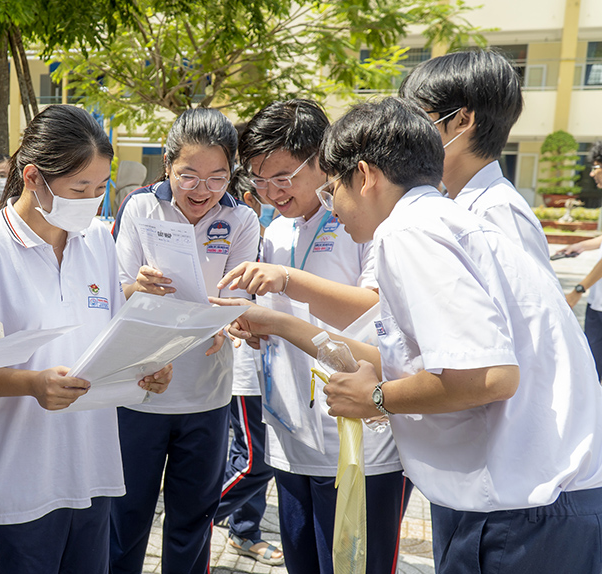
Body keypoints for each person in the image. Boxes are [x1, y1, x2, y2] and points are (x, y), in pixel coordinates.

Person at [215, 97, 602, 574]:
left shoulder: (408, 233)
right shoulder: (443, 221)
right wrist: (280, 324)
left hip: (520, 513)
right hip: (535, 504)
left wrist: (377, 399)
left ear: (365, 175)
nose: (331, 206)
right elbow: (390, 355)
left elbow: (491, 378)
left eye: (331, 189)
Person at [0, 104, 172, 574]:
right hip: (19, 479)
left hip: (93, 466)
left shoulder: (97, 240)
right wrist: (32, 384)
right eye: (78, 188)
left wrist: (145, 365)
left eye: (99, 187)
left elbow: (109, 332)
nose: (91, 199)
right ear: (32, 177)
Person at [218, 100, 407, 574]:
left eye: (282, 177)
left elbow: (377, 311)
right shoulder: (276, 229)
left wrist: (286, 281)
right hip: (291, 436)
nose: (270, 192)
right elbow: (283, 313)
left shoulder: (364, 222)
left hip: (358, 443)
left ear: (322, 158)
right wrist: (256, 324)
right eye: (258, 180)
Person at [111, 107, 260, 574]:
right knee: (126, 518)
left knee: (192, 523)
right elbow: (113, 289)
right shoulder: (140, 207)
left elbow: (237, 302)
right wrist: (138, 285)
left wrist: (224, 322)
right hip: (139, 391)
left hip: (206, 395)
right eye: (189, 176)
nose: (202, 190)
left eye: (217, 178)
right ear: (168, 165)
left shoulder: (242, 221)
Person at [399, 49, 554, 275]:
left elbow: (530, 306)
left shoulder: (498, 210)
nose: (407, 130)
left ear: (462, 120)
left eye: (418, 118)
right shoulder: (452, 200)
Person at [213, 167, 283, 567]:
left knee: (251, 454)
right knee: (256, 459)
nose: (268, 195)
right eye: (259, 188)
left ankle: (244, 530)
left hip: (276, 366)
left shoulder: (279, 229)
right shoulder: (236, 230)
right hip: (245, 364)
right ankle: (200, 512)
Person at [557, 140, 602, 380]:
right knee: (592, 373)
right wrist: (582, 245)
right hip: (598, 306)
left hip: (596, 302)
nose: (592, 172)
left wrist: (578, 289)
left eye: (596, 166)